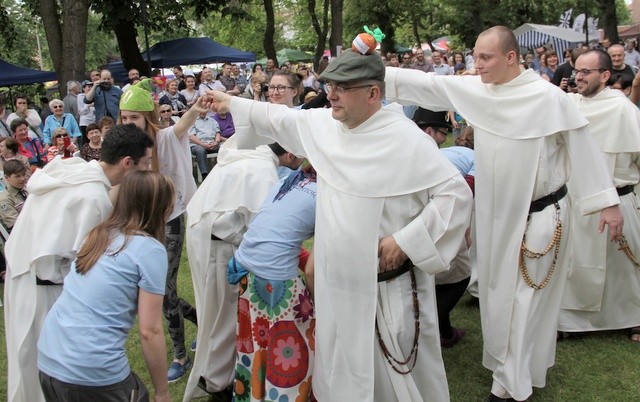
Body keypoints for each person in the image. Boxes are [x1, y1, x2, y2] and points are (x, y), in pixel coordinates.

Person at [205, 47, 473, 401]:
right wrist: (232, 102)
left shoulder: (409, 140)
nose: (331, 93)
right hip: (337, 293)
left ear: (373, 93)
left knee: (397, 383)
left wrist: (407, 240)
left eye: (343, 87)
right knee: (342, 377)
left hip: (388, 292)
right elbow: (279, 119)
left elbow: (455, 197)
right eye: (330, 85)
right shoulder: (326, 127)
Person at [384, 26, 623, 402]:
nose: (476, 65)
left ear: (511, 58)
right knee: (498, 297)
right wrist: (370, 71)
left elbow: (583, 146)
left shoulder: (547, 97)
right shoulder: (479, 91)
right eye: (474, 56)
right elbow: (427, 85)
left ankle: (510, 385)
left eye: (485, 57)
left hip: (541, 218)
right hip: (496, 218)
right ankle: (510, 368)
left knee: (526, 301)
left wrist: (607, 202)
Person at [4, 124, 154, 402]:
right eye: (145, 164)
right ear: (127, 163)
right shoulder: (93, 197)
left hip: (23, 270)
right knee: (41, 369)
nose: (147, 171)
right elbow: (84, 264)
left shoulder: (74, 168)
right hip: (44, 289)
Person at [183, 76, 305, 402]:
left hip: (202, 233)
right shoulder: (261, 168)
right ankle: (216, 385)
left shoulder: (243, 154)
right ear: (289, 154)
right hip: (221, 247)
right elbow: (265, 229)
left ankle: (215, 377)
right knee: (223, 319)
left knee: (213, 315)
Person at [37, 171, 174, 402]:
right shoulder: (149, 250)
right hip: (91, 368)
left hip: (49, 358)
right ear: (158, 206)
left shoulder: (97, 233)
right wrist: (162, 392)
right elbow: (150, 331)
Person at [119, 81, 202, 382]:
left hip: (172, 220)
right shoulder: (125, 147)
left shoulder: (166, 137)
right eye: (124, 117)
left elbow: (187, 122)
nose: (129, 123)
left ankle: (180, 355)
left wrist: (198, 107)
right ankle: (203, 323)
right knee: (157, 291)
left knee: (164, 292)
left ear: (148, 117)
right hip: (143, 224)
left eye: (134, 118)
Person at [558, 49, 640, 343]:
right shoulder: (568, 105)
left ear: (605, 76)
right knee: (573, 264)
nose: (578, 77)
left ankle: (633, 319)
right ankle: (572, 320)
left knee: (622, 267)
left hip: (618, 199)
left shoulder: (622, 109)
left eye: (586, 72)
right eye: (576, 71)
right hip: (577, 201)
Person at [229, 165, 317, 401]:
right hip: (280, 283)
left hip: (248, 274)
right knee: (292, 360)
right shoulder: (327, 196)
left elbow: (276, 237)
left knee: (258, 349)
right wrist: (316, 303)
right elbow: (312, 272)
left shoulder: (288, 181)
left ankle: (254, 396)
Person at [412, 108, 475, 348]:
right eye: (441, 133)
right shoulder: (463, 158)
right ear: (428, 131)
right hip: (437, 221)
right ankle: (431, 328)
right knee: (460, 275)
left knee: (434, 277)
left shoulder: (413, 149)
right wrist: (466, 231)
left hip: (414, 223)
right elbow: (464, 195)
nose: (443, 138)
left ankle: (445, 331)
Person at [0, 159, 28, 231]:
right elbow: (15, 226)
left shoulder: (27, 189)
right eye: (17, 176)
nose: (22, 179)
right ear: (7, 178)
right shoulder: (4, 199)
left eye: (23, 174)